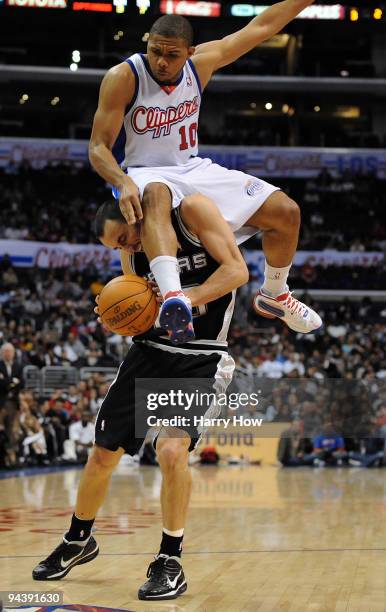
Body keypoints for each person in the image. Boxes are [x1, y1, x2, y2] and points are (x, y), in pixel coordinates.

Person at [32, 195, 249, 600]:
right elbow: (136, 304)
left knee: (171, 450)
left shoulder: (191, 217)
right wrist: (117, 312)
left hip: (200, 358)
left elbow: (237, 271)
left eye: (124, 238)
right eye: (117, 247)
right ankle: (79, 540)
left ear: (134, 215)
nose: (126, 249)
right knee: (102, 455)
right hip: (148, 352)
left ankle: (170, 560)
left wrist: (180, 299)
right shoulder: (132, 254)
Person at [89, 0, 322, 344]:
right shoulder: (124, 76)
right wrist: (121, 181)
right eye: (155, 52)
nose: (162, 62)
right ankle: (173, 299)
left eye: (172, 55)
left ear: (190, 52)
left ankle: (275, 293)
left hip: (193, 167)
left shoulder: (201, 65)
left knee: (286, 212)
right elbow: (97, 148)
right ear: (147, 45)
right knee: (155, 192)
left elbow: (260, 28)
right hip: (142, 170)